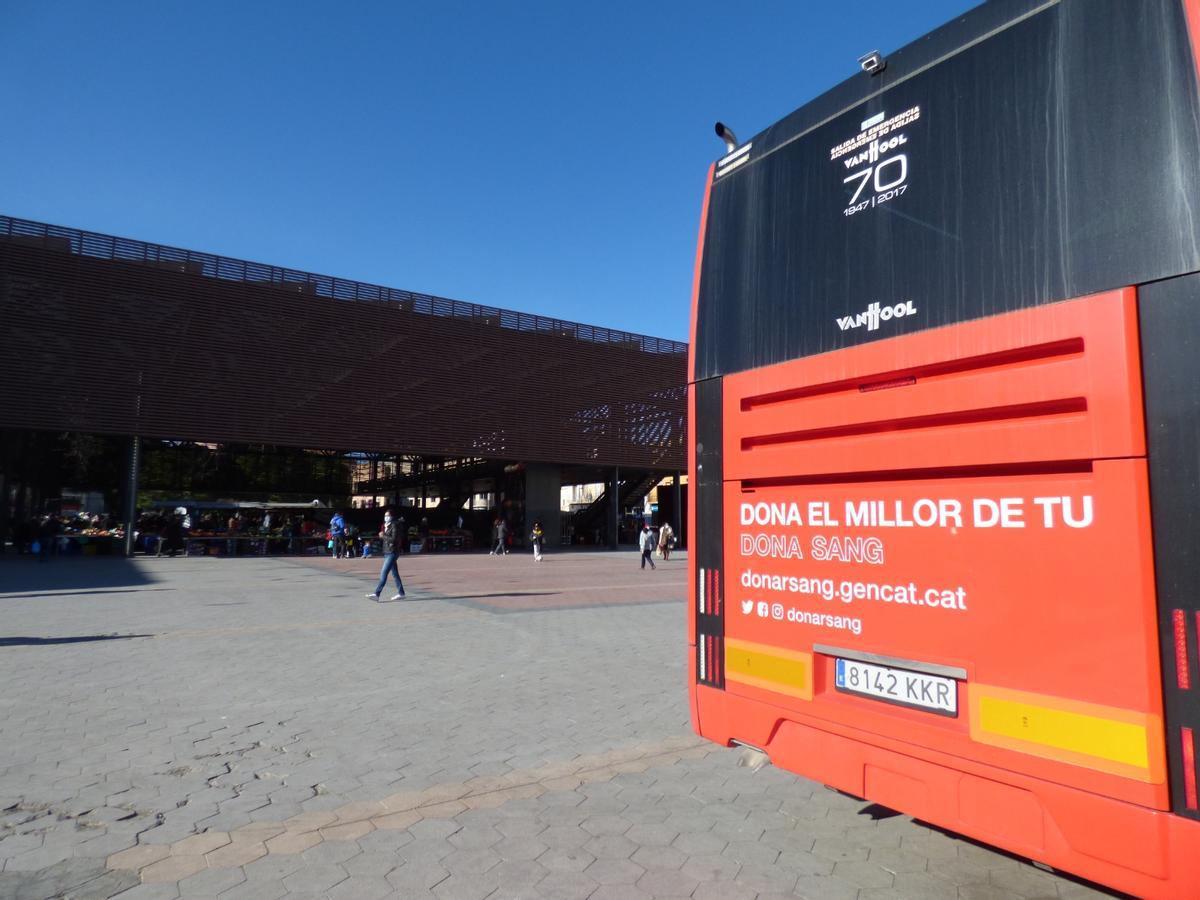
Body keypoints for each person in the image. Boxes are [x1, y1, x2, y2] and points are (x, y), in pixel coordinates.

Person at [366, 509, 406, 601]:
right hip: (387, 551)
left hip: (392, 552)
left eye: (388, 515)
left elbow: (394, 539)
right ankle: (401, 593)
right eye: (385, 515)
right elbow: (388, 538)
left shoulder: (395, 525)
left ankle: (377, 594)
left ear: (392, 516)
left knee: (384, 573)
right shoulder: (387, 525)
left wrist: (383, 535)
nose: (386, 517)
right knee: (395, 574)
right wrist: (383, 535)